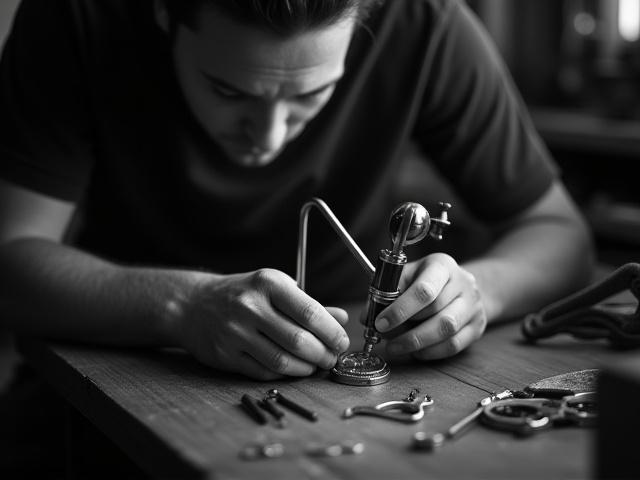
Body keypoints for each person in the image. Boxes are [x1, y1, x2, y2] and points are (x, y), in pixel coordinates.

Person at [0, 0, 593, 382]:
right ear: (162, 13)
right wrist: (181, 305)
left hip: (350, 352)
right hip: (119, 360)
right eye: (230, 92)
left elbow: (560, 235)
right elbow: (12, 258)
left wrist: (474, 291)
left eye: (310, 95)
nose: (270, 136)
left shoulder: (426, 23)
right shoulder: (75, 15)